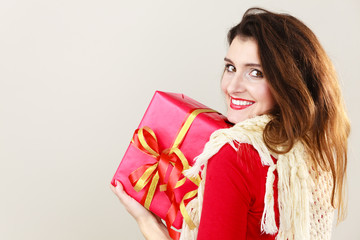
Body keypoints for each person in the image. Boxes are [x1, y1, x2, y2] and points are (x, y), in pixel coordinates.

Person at [111, 7, 350, 240]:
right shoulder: (311, 150)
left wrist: (150, 227)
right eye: (230, 68)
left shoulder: (233, 154)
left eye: (255, 73)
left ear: (289, 83)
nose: (232, 86)